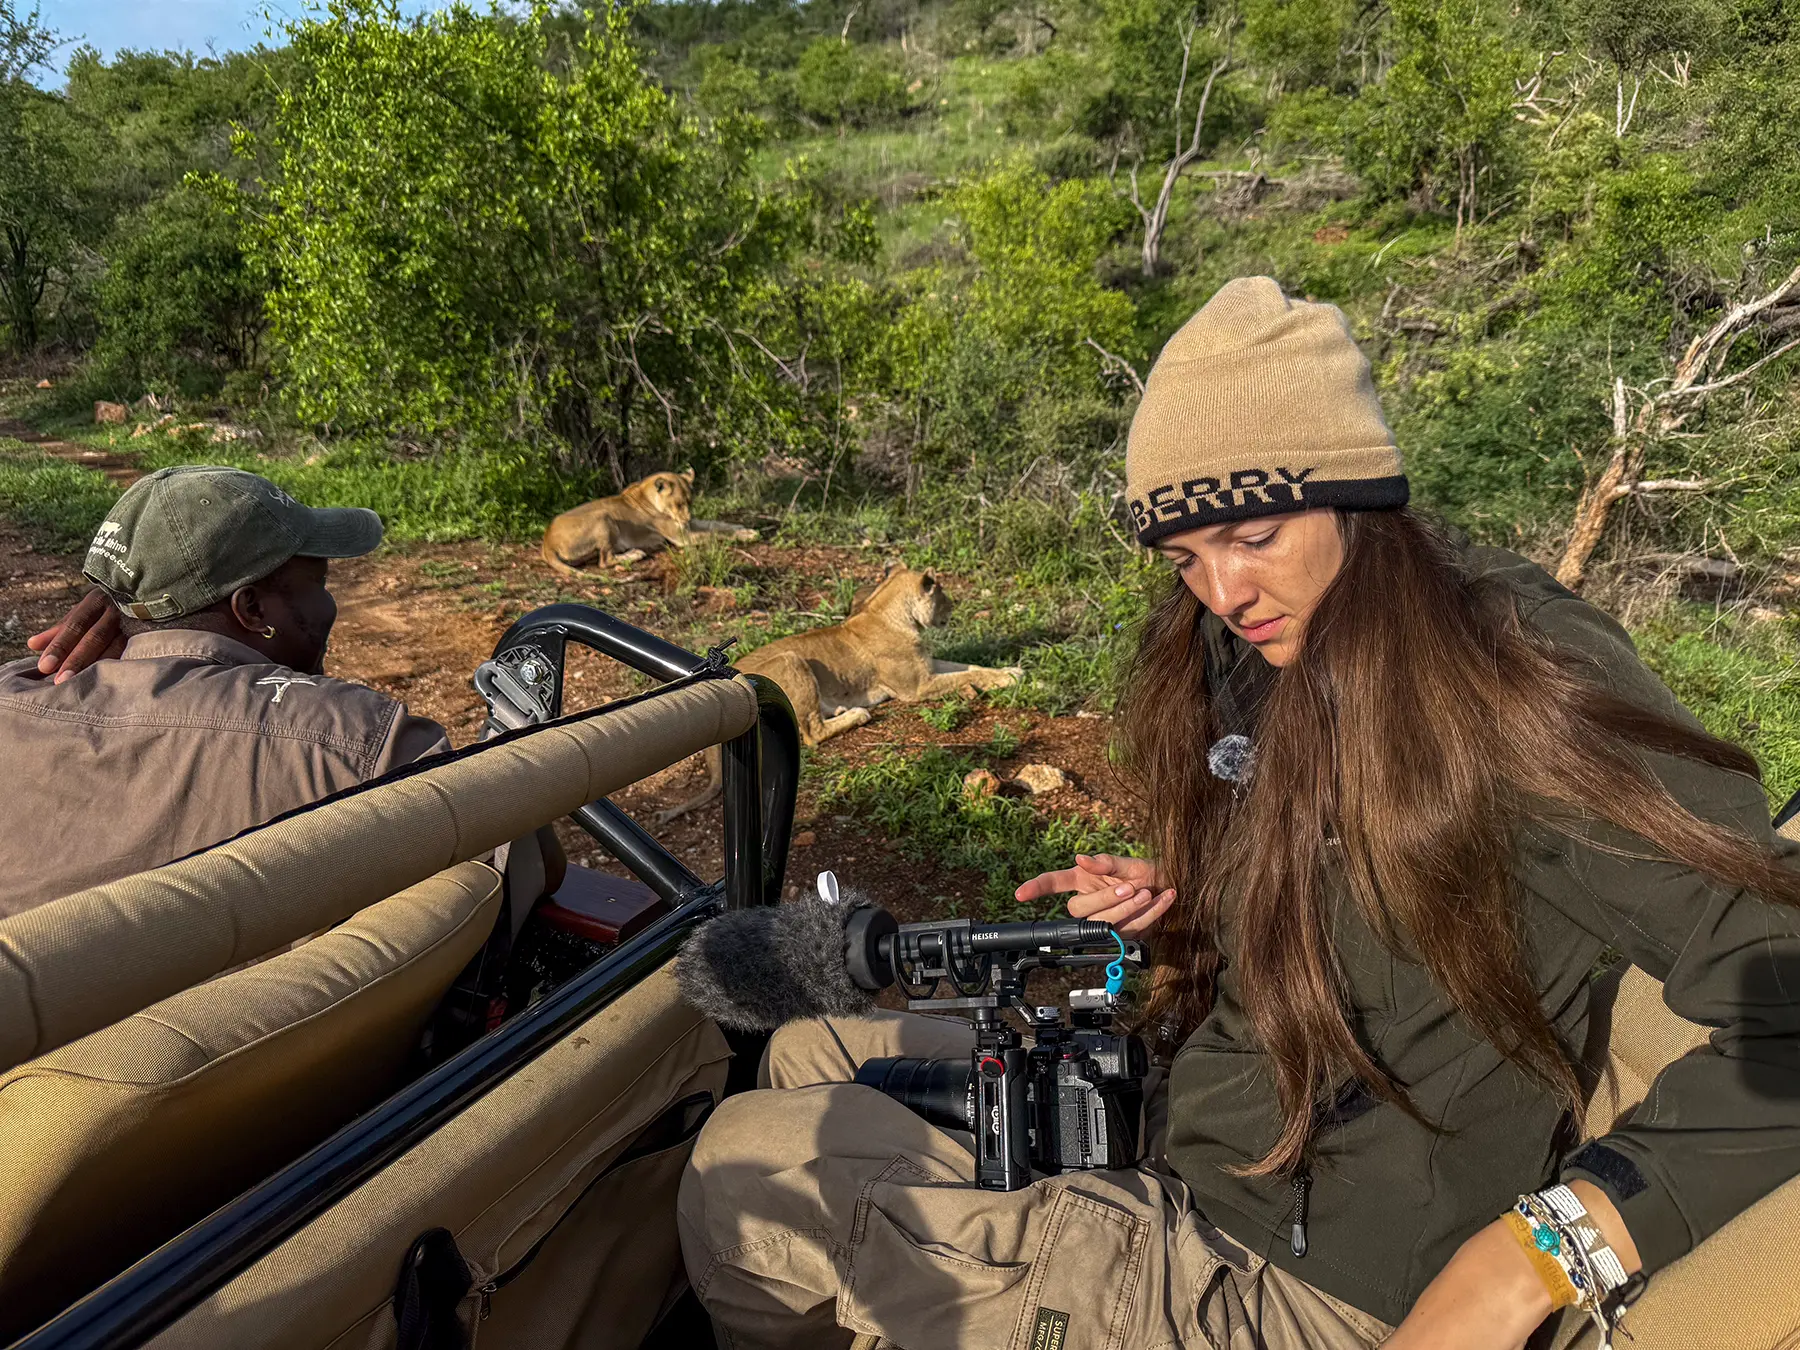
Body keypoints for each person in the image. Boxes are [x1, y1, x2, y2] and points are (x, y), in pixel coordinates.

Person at [677, 278, 1800, 1349]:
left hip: (1298, 1277)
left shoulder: (1507, 685)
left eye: (1254, 537)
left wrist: (1522, 1263)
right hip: (1212, 1126)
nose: (1222, 592)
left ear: (1360, 493)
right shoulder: (1292, 640)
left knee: (744, 1178)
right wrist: (1190, 909)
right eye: (1185, 556)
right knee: (802, 1055)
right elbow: (1368, 905)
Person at [0, 465, 452, 916]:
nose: (328, 604)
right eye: (320, 583)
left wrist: (140, 621)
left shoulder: (12, 700)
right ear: (252, 608)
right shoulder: (365, 743)